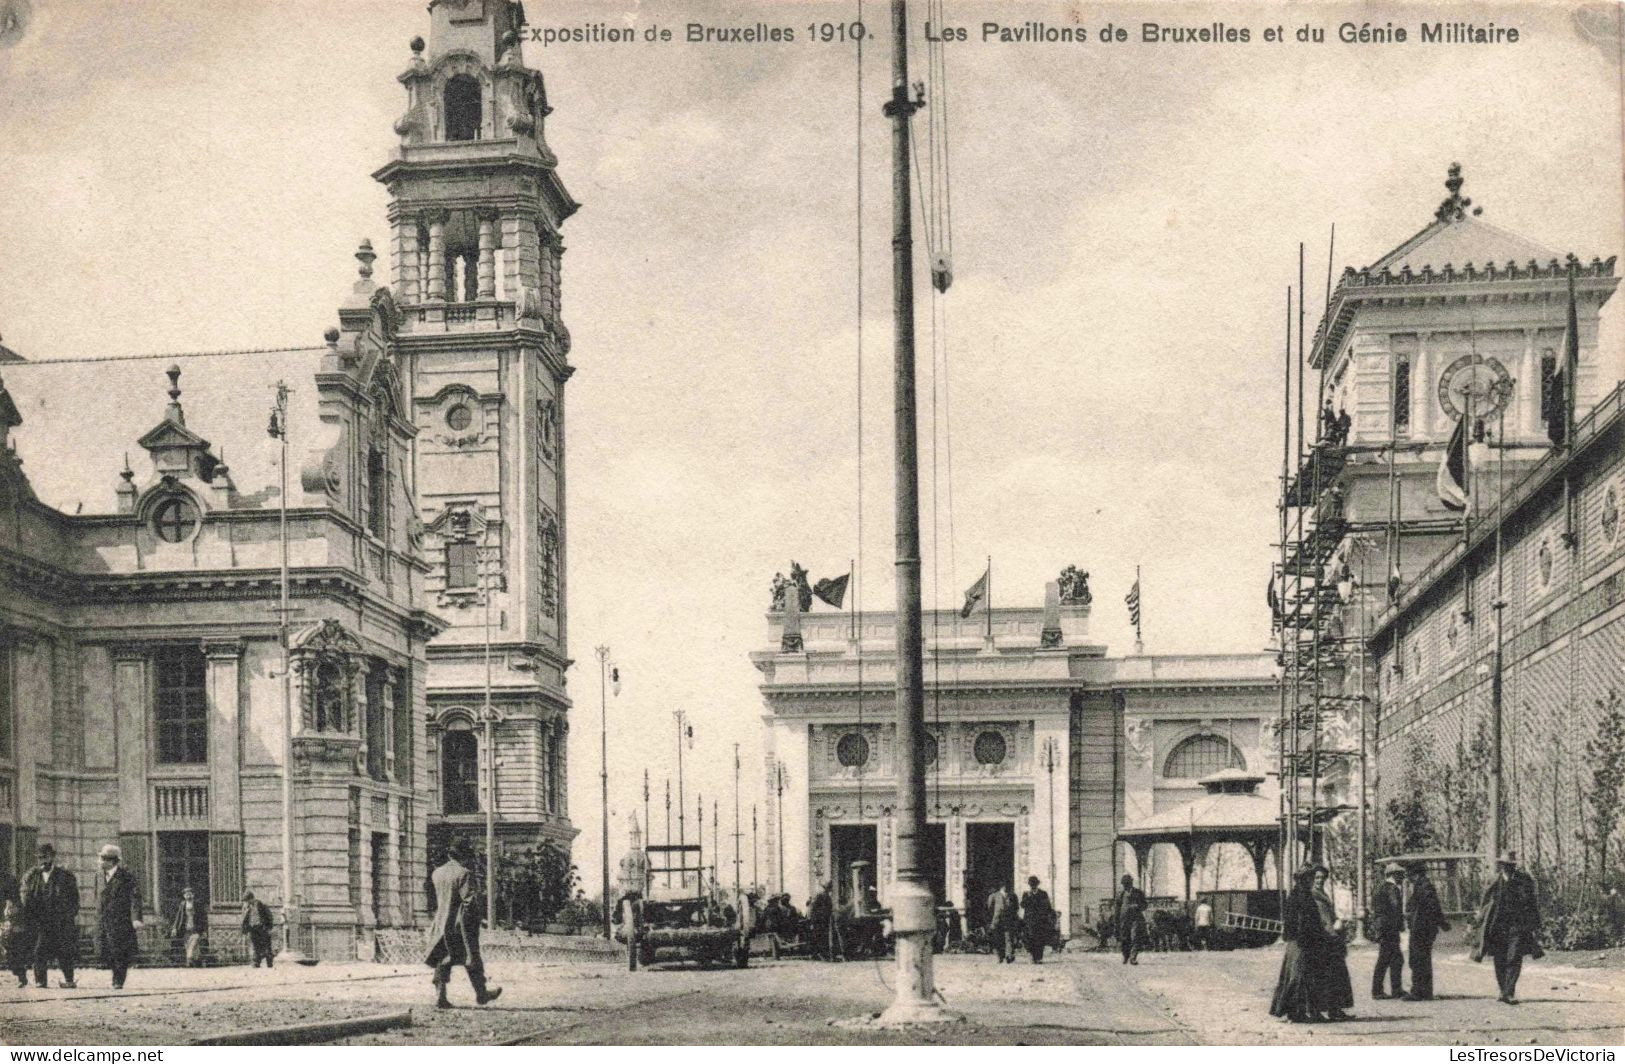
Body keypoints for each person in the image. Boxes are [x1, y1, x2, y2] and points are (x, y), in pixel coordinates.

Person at [424, 838, 501, 1008]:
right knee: (472, 958)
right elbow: (469, 901)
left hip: (440, 922)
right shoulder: (464, 873)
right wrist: (475, 920)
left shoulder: (437, 873)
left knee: (442, 958)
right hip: (459, 925)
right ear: (464, 855)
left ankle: (440, 996)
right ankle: (482, 994)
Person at [1473, 850, 1542, 1005]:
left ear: (1514, 866)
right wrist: (1479, 919)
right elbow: (1484, 901)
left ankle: (1509, 992)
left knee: (1514, 957)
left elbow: (1532, 903)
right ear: (1501, 865)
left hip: (1517, 926)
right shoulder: (1494, 881)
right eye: (1505, 865)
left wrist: (1535, 924)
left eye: (1511, 865)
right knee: (1499, 959)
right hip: (1497, 926)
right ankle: (1503, 989)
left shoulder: (1524, 881)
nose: (1508, 868)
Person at [1270, 864, 1327, 1023]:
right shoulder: (1303, 896)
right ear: (1304, 879)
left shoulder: (1297, 894)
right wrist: (1312, 939)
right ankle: (1298, 1013)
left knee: (1300, 978)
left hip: (1297, 942)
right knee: (1300, 978)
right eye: (1309, 877)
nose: (1311, 880)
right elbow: (1303, 922)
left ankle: (1300, 1012)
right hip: (1303, 943)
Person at [20, 842, 79, 988]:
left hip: (60, 922)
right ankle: (40, 981)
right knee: (39, 951)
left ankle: (69, 980)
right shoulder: (31, 876)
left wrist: (68, 917)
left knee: (64, 951)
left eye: (45, 857)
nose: (43, 861)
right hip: (40, 922)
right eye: (40, 858)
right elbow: (25, 898)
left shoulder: (65, 876)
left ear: (53, 857)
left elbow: (74, 900)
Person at [1309, 865, 1354, 1020]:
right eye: (1317, 877)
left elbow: (1329, 916)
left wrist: (1338, 921)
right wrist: (1334, 930)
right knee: (1330, 976)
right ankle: (1331, 1010)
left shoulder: (1322, 894)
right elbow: (1323, 920)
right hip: (1326, 939)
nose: (1320, 880)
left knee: (1335, 976)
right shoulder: (1314, 895)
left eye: (1322, 878)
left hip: (1330, 937)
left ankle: (1335, 1009)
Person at [95, 844, 140, 989]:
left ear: (111, 861)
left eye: (102, 859)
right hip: (103, 920)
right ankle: (116, 976)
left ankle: (118, 980)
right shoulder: (98, 876)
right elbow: (97, 897)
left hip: (121, 921)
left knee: (119, 951)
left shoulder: (126, 876)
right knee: (105, 950)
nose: (99, 862)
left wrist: (136, 918)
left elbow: (135, 898)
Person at [1402, 863, 1449, 1001]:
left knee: (1418, 960)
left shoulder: (1424, 887)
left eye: (1409, 874)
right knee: (1421, 960)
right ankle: (1424, 991)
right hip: (1422, 929)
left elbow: (1433, 907)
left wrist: (1442, 923)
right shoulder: (1422, 886)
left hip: (1421, 929)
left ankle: (1418, 992)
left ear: (1414, 874)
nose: (1408, 878)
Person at [1369, 862, 1406, 999]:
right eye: (1400, 874)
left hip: (1382, 928)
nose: (1402, 877)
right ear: (1393, 874)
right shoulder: (1392, 889)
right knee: (1389, 959)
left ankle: (1385, 990)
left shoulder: (1379, 887)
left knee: (1391, 959)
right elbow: (1395, 907)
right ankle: (1383, 990)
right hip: (1389, 929)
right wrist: (1400, 925)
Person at [1, 865, 27, 988]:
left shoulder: (9, 880)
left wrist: (10, 915)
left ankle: (21, 975)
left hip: (8, 917)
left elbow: (15, 900)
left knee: (11, 950)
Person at [1113, 874, 1148, 965]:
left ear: (1131, 883)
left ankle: (1133, 958)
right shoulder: (1120, 894)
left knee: (1135, 937)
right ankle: (1125, 956)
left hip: (1136, 919)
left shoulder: (1138, 893)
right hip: (1124, 920)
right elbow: (1117, 909)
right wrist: (1116, 921)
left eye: (1127, 884)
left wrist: (1138, 906)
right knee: (1125, 938)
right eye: (1124, 884)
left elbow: (1145, 905)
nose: (1126, 886)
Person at [1019, 876, 1054, 964]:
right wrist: (1028, 897)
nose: (1032, 886)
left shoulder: (1043, 894)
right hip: (1029, 921)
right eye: (1031, 884)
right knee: (1030, 939)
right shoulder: (1026, 894)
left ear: (1037, 884)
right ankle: (1031, 956)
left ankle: (1038, 958)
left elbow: (1048, 906)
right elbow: (1022, 905)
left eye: (1034, 884)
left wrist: (1047, 917)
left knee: (1040, 939)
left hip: (1040, 920)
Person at [168, 887, 206, 967]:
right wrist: (174, 928)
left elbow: (203, 918)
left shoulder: (197, 904)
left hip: (196, 929)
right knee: (190, 947)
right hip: (185, 930)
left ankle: (189, 960)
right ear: (184, 896)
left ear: (193, 895)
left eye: (190, 894)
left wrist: (204, 930)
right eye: (186, 894)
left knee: (192, 946)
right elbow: (178, 917)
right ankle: (198, 962)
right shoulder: (182, 905)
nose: (188, 896)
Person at [986, 882, 1019, 964]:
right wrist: (991, 921)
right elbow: (989, 909)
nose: (1006, 888)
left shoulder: (1013, 896)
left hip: (1009, 920)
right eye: (1004, 886)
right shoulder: (994, 896)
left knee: (1009, 938)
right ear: (1001, 887)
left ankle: (1009, 956)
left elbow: (1016, 908)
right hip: (997, 921)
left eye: (1008, 886)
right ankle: (1000, 957)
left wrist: (1014, 918)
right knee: (998, 939)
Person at [240, 891, 274, 969]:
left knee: (266, 946)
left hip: (262, 928)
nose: (247, 902)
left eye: (247, 900)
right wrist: (244, 929)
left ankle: (269, 963)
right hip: (253, 929)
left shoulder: (261, 905)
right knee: (255, 946)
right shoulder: (246, 907)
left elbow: (269, 916)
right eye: (245, 901)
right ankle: (256, 963)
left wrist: (269, 927)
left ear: (252, 899)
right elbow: (244, 919)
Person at [807, 882, 835, 961]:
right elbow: (813, 908)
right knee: (817, 936)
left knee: (823, 936)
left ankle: (822, 954)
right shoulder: (819, 896)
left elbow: (829, 908)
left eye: (829, 888)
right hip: (818, 920)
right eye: (828, 888)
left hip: (825, 920)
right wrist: (812, 920)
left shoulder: (828, 897)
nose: (828, 890)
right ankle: (816, 954)